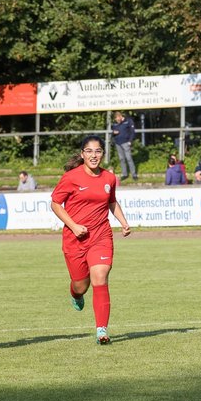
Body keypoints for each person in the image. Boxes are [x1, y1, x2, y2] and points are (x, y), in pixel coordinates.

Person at [50, 137, 133, 345]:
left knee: (100, 277)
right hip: (74, 239)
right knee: (81, 285)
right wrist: (74, 226)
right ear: (82, 154)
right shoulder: (70, 177)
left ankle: (101, 330)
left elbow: (112, 202)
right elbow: (55, 204)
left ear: (102, 154)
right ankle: (75, 294)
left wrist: (123, 222)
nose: (93, 155)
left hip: (101, 235)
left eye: (97, 151)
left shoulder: (109, 178)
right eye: (89, 151)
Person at [112, 111, 137, 181]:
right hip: (118, 143)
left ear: (120, 117)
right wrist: (113, 133)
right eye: (116, 120)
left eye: (118, 119)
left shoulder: (128, 121)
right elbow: (113, 132)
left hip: (126, 143)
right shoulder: (115, 123)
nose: (117, 121)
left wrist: (130, 141)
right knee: (122, 159)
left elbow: (132, 132)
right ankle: (125, 174)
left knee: (129, 158)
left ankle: (134, 174)